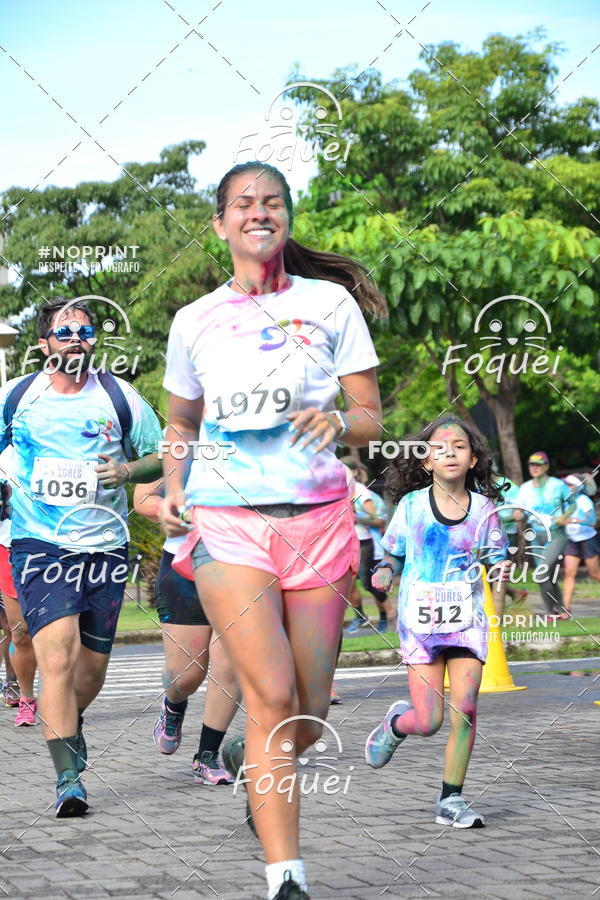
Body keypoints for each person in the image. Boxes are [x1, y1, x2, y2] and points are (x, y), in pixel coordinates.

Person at [160, 161, 384, 900]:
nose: (260, 211)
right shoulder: (193, 321)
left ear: (287, 217)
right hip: (231, 528)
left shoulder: (329, 304)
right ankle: (285, 878)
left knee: (308, 715)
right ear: (221, 223)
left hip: (321, 526)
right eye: (244, 203)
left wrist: (338, 422)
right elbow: (181, 423)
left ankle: (268, 786)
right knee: (271, 690)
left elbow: (370, 418)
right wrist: (174, 488)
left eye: (273, 202)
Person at [3, 297, 162, 817]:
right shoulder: (16, 397)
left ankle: (69, 722)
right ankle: (68, 779)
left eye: (86, 331)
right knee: (57, 656)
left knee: (89, 672)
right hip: (39, 542)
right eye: (64, 331)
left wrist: (127, 473)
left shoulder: (120, 397)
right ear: (44, 342)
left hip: (106, 544)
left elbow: (163, 453)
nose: (77, 339)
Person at [365, 416, 509, 828]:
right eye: (440, 447)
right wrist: (385, 572)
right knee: (428, 721)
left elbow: (496, 558)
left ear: (474, 458)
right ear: (426, 461)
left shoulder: (484, 510)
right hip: (421, 623)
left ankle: (451, 800)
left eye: (459, 446)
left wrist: (502, 571)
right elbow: (391, 554)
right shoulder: (411, 507)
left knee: (465, 708)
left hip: (466, 622)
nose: (450, 452)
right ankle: (396, 724)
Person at [133, 478, 240, 782]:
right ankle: (173, 704)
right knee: (186, 677)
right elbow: (143, 498)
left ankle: (206, 756)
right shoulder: (183, 443)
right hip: (185, 564)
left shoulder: (262, 439)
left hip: (243, 566)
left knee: (229, 663)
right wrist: (182, 512)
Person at [0, 450, 38, 725]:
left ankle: (67, 693)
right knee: (18, 630)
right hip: (8, 547)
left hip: (51, 545)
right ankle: (24, 694)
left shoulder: (55, 440)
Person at [513, 451, 575, 617]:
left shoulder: (557, 485)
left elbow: (572, 505)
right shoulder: (525, 488)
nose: (534, 467)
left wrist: (563, 517)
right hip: (536, 535)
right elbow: (520, 512)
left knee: (540, 573)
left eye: (539, 464)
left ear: (546, 466)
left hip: (556, 534)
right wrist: (518, 515)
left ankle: (554, 610)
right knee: (548, 576)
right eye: (532, 464)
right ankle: (558, 611)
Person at [341, 458, 388, 634]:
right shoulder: (338, 490)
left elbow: (374, 517)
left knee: (368, 583)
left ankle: (384, 615)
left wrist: (353, 513)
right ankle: (360, 615)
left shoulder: (360, 491)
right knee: (347, 582)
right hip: (345, 541)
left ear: (353, 472)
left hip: (364, 542)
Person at [490, 469, 527, 620]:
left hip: (504, 534)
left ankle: (496, 620)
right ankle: (514, 593)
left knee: (497, 573)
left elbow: (521, 512)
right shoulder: (476, 483)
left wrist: (510, 517)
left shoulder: (508, 486)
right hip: (483, 535)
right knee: (485, 573)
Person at [561, 474, 600, 619]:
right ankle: (565, 610)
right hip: (572, 540)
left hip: (587, 539)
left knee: (594, 573)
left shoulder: (584, 501)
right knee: (569, 573)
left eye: (570, 485)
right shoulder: (565, 501)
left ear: (578, 487)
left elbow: (592, 521)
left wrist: (574, 520)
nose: (566, 487)